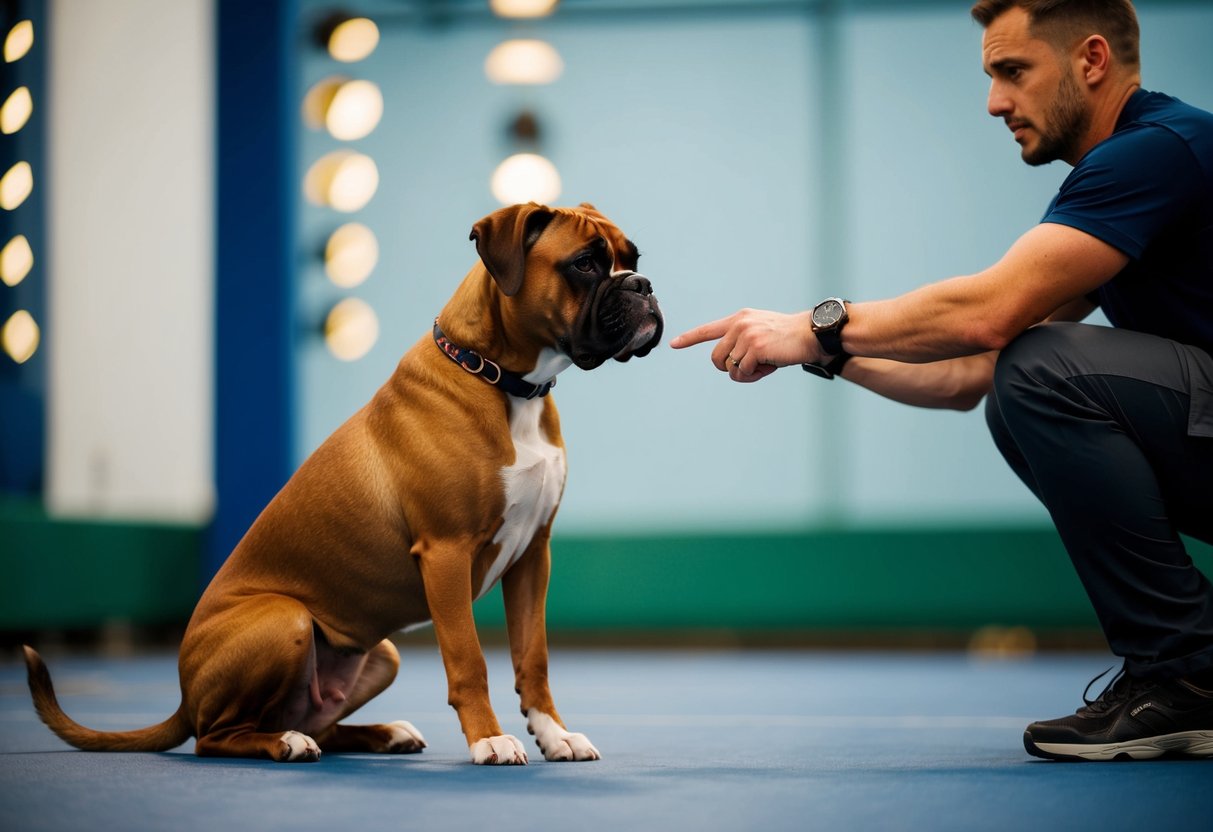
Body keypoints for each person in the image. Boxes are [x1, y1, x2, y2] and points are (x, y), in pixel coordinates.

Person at [671, 0, 1213, 762]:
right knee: (1018, 390)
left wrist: (814, 323)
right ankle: (1185, 669)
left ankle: (1187, 673)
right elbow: (968, 372)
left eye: (1012, 72)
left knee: (1042, 369)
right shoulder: (1129, 178)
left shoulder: (1154, 150)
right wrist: (824, 353)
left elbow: (989, 317)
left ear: (1091, 61)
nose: (994, 102)